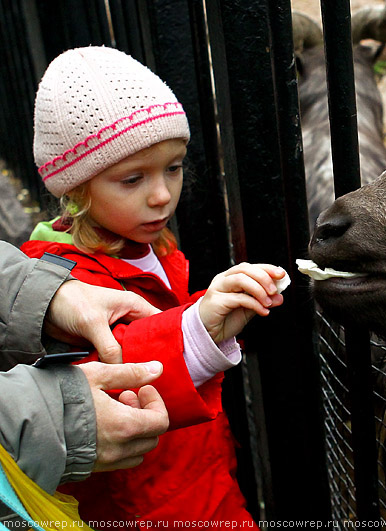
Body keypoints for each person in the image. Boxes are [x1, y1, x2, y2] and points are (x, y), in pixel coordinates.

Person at [21, 46, 288, 526]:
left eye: (174, 166)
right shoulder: (55, 281)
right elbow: (102, 379)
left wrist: (219, 320)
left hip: (201, 478)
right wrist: (199, 329)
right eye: (132, 178)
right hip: (147, 506)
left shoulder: (153, 246)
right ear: (76, 187)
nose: (162, 194)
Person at [0, 241, 170, 511]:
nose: (161, 197)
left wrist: (42, 297)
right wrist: (62, 418)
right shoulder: (67, 260)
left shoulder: (169, 255)